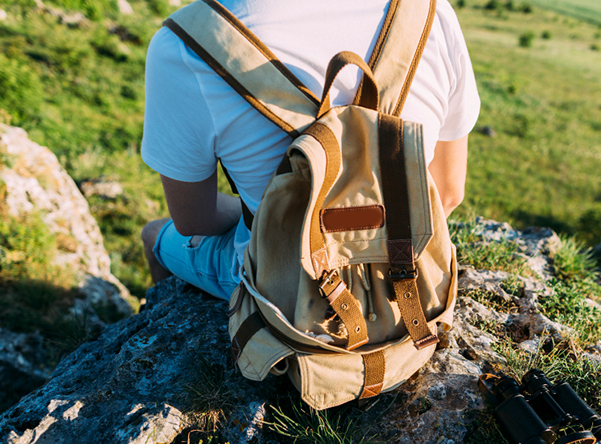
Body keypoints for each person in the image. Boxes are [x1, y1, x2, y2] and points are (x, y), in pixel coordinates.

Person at [140, 0, 481, 300]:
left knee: (155, 233)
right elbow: (448, 192)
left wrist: (271, 213)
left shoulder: (184, 43)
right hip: (406, 278)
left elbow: (194, 219)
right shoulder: (428, 13)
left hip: (283, 289)